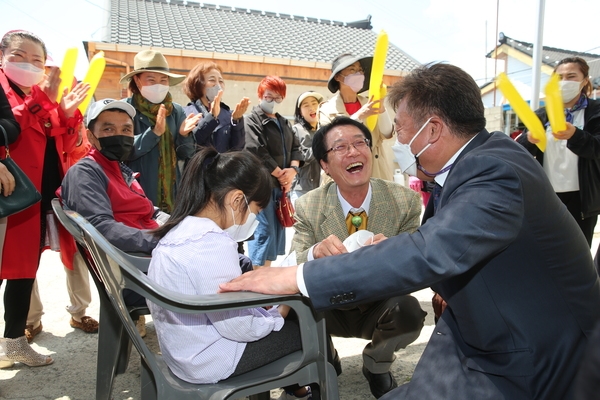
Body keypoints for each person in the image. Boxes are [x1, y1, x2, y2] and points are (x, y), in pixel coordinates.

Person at [221, 63, 600, 400]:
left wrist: (293, 276)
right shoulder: (479, 161)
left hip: (530, 356)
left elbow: (429, 251)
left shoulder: (493, 173)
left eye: (400, 130)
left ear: (432, 129)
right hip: (483, 331)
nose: (396, 142)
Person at [147, 148, 313, 399]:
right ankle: (315, 387)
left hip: (183, 352)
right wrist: (280, 312)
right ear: (237, 200)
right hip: (210, 360)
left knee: (278, 319)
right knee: (309, 326)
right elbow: (239, 327)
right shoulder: (213, 242)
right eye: (256, 211)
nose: (254, 220)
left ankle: (293, 388)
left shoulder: (179, 230)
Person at [290, 116, 426, 398]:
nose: (353, 152)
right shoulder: (308, 206)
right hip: (329, 308)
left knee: (410, 312)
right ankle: (324, 361)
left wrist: (396, 251)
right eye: (340, 147)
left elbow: (418, 268)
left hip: (379, 305)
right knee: (292, 309)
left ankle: (377, 364)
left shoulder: (404, 201)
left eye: (359, 143)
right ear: (325, 165)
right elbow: (293, 263)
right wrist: (315, 252)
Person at [0, 29, 89, 367]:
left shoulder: (41, 92)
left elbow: (61, 139)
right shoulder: (6, 93)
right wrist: (44, 101)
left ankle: (14, 344)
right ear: (2, 56)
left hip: (36, 198)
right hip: (9, 195)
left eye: (37, 59)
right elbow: (11, 128)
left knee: (23, 271)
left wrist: (65, 112)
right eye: (19, 56)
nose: (29, 64)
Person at [517, 56, 600, 247]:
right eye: (559, 78)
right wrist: (528, 140)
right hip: (548, 196)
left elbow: (597, 148)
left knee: (578, 251)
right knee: (548, 250)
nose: (564, 82)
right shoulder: (542, 114)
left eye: (571, 76)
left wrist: (575, 135)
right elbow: (519, 152)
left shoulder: (595, 112)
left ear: (585, 80)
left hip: (582, 198)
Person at [120, 49, 200, 213]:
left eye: (163, 80)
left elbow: (187, 154)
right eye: (151, 80)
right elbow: (123, 150)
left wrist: (184, 136)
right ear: (137, 80)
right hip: (138, 193)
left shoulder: (176, 110)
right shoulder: (125, 109)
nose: (159, 85)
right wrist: (153, 133)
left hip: (173, 194)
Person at [244, 76, 301, 268]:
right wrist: (279, 173)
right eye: (269, 96)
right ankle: (255, 275)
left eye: (278, 97)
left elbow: (296, 148)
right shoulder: (251, 119)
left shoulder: (284, 122)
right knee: (263, 230)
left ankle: (265, 273)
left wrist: (292, 170)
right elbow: (255, 148)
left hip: (281, 188)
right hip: (262, 186)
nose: (272, 101)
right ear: (260, 95)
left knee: (276, 232)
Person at [319, 53, 395, 181]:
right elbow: (330, 140)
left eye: (360, 70)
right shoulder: (327, 109)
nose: (358, 74)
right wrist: (360, 115)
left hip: (376, 174)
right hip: (344, 178)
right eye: (352, 70)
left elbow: (387, 133)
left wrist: (381, 108)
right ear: (338, 77)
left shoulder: (369, 102)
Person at [182, 62, 249, 153]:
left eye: (221, 81)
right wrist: (212, 117)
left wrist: (236, 121)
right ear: (198, 84)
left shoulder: (228, 114)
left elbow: (237, 149)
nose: (218, 85)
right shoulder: (187, 113)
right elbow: (190, 146)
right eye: (212, 80)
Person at [289, 91, 323, 205]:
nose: (311, 108)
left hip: (323, 189)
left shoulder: (325, 129)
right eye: (306, 105)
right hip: (301, 190)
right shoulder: (296, 130)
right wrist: (321, 141)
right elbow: (301, 158)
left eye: (314, 104)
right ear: (300, 112)